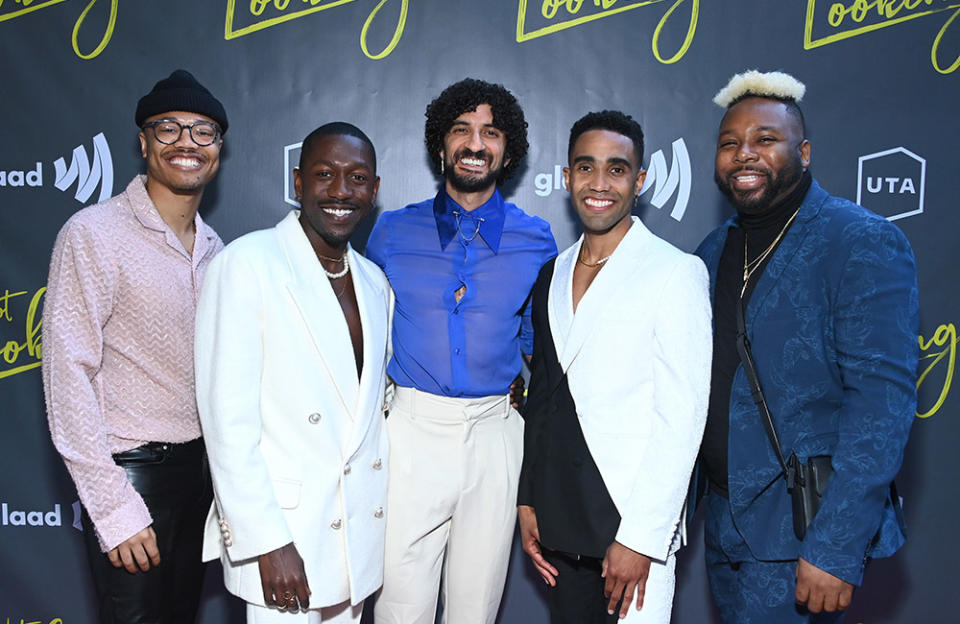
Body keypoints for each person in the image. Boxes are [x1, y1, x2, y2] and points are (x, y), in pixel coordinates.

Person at [695, 70, 918, 623]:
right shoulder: (711, 249)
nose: (745, 154)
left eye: (765, 140)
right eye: (730, 143)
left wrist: (837, 546)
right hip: (722, 524)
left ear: (805, 151)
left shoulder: (861, 240)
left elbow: (882, 406)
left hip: (802, 534)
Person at [367, 78, 557, 624]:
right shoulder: (390, 232)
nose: (475, 144)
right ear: (440, 143)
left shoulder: (537, 240)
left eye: (490, 132)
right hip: (409, 431)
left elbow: (541, 349)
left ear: (509, 148)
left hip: (496, 434)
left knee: (475, 610)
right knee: (398, 608)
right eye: (461, 130)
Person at [41, 69, 228, 623]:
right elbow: (66, 374)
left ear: (219, 148)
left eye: (203, 131)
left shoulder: (221, 252)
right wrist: (114, 506)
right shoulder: (93, 233)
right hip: (132, 476)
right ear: (142, 141)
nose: (186, 144)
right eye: (168, 128)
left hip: (201, 479)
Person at [517, 110, 712, 624]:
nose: (599, 184)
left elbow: (683, 419)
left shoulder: (675, 272)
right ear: (566, 177)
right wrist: (529, 499)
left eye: (617, 169)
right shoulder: (552, 273)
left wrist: (642, 539)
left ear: (640, 180)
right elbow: (544, 400)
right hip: (562, 529)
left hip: (630, 533)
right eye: (585, 167)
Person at [194, 123, 391, 623]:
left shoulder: (374, 282)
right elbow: (226, 425)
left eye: (358, 177)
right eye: (325, 175)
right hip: (286, 546)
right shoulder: (246, 264)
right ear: (298, 183)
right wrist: (266, 542)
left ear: (374, 190)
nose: (342, 191)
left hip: (355, 546)